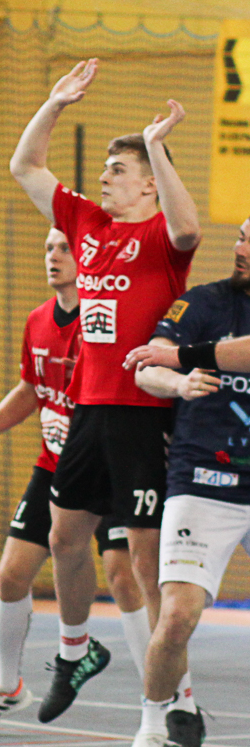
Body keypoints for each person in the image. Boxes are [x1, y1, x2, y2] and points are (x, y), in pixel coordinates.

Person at [8, 58, 201, 722]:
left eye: (117, 170)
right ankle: (75, 650)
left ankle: (175, 700)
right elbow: (25, 167)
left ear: (149, 183)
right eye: (104, 171)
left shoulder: (160, 237)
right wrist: (55, 103)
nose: (104, 179)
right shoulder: (87, 224)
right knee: (65, 538)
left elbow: (188, 229)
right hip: (89, 409)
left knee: (144, 566)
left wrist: (155, 146)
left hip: (143, 415)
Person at [0, 229, 149, 735]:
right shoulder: (38, 320)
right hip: (56, 465)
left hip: (110, 460)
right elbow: (30, 387)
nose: (53, 257)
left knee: (123, 576)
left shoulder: (107, 322)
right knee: (11, 574)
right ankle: (7, 687)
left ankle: (159, 701)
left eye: (65, 248)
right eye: (47, 248)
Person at [121, 221, 250, 747]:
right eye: (240, 236)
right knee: (176, 616)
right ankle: (155, 721)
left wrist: (183, 358)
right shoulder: (202, 303)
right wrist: (177, 381)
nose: (240, 248)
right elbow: (144, 367)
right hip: (203, 481)